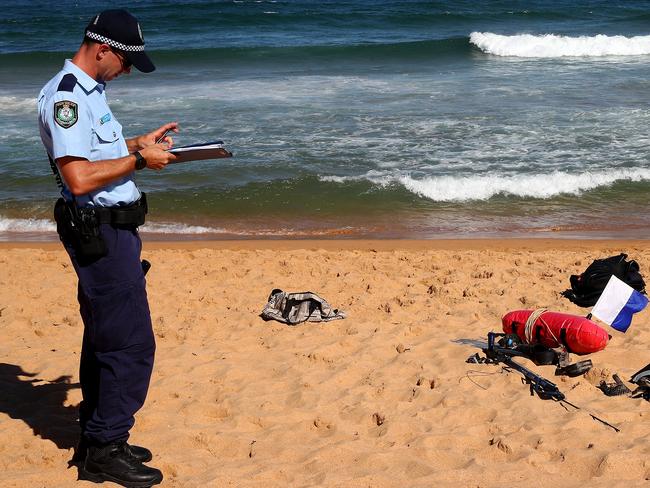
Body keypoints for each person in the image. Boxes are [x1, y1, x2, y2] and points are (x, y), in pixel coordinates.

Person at [37, 9, 177, 487]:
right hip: (99, 230)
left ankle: (100, 436)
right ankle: (105, 448)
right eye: (127, 62)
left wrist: (137, 142)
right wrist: (139, 159)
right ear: (103, 50)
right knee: (129, 342)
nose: (129, 71)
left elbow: (94, 155)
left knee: (105, 336)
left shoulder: (89, 93)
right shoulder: (67, 97)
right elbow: (78, 178)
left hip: (109, 229)